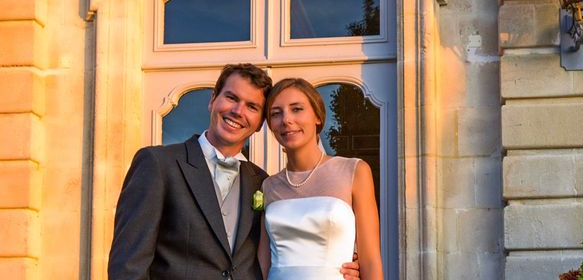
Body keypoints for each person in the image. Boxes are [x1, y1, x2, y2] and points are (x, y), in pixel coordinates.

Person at [108, 63, 360, 280]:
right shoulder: (158, 163)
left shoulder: (263, 182)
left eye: (252, 106)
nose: (238, 111)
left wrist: (341, 267)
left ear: (261, 122)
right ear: (212, 100)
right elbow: (128, 265)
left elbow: (286, 249)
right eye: (231, 97)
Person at [258, 78, 384, 280]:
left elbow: (371, 260)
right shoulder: (268, 186)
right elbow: (263, 265)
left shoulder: (354, 171)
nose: (286, 120)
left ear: (318, 116)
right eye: (276, 113)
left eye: (297, 109)